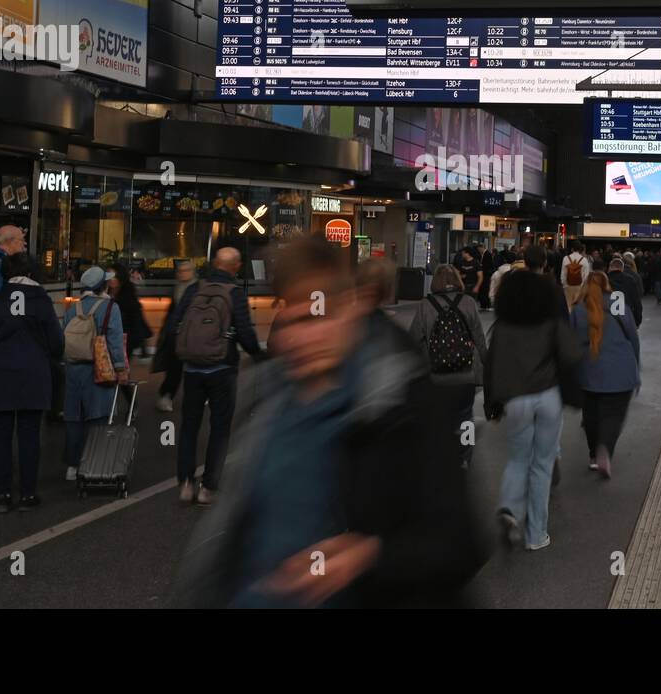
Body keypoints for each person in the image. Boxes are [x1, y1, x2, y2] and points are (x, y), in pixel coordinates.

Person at [172, 237, 489, 607]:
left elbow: (460, 542)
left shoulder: (401, 402)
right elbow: (233, 535)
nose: (301, 336)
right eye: (290, 316)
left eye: (316, 316)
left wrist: (367, 556)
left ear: (350, 311)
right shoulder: (270, 403)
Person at [485, 245, 581, 551]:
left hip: (516, 397)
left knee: (518, 460)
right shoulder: (550, 321)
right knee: (542, 464)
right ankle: (536, 535)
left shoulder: (502, 328)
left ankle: (510, 510)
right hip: (548, 396)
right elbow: (571, 354)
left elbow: (492, 364)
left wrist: (492, 404)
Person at [171, 246, 262, 506]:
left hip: (192, 370)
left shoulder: (193, 289)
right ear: (235, 266)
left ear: (214, 264)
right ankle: (208, 487)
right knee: (220, 429)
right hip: (222, 369)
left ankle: (186, 484)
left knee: (189, 426)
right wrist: (257, 354)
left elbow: (175, 325)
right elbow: (244, 332)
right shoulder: (235, 293)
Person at [0, 252, 64, 511]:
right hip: (32, 377)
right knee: (29, 436)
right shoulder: (41, 301)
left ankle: (0, 495)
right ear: (32, 273)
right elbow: (56, 343)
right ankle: (27, 494)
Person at [408, 265, 488, 469]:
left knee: (437, 418)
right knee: (466, 417)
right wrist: (487, 365)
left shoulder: (425, 305)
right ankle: (464, 457)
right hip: (465, 376)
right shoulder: (468, 302)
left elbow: (413, 339)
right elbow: (479, 338)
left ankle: (439, 456)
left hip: (435, 376)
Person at [61, 266, 128, 481]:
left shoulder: (73, 308)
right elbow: (115, 342)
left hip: (73, 369)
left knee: (74, 417)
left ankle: (72, 465)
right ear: (103, 286)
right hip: (99, 369)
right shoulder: (110, 307)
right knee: (97, 417)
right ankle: (93, 464)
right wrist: (120, 368)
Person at [570, 271, 639, 479]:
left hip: (589, 371)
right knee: (614, 415)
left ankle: (593, 456)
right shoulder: (618, 303)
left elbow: (570, 342)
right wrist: (635, 365)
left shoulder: (579, 309)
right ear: (607, 285)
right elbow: (633, 338)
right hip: (621, 371)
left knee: (591, 415)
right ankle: (605, 450)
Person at [153, 260, 197, 413]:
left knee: (187, 367)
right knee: (175, 367)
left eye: (185, 270)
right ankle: (167, 395)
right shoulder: (178, 288)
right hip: (177, 334)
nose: (182, 273)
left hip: (190, 334)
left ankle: (170, 395)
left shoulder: (195, 289)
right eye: (180, 270)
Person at [109, 263, 149, 358]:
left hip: (124, 339)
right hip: (113, 339)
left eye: (113, 276)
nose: (110, 279)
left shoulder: (127, 294)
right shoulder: (108, 292)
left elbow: (133, 318)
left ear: (120, 277)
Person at [606, 255, 644, 327]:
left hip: (608, 320)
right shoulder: (630, 280)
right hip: (627, 318)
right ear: (622, 268)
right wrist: (637, 321)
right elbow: (637, 302)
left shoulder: (604, 280)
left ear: (610, 267)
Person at [561, 239, 591, 310]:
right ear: (580, 249)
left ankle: (569, 320)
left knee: (568, 307)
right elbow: (586, 276)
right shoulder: (584, 260)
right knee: (578, 308)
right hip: (580, 287)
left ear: (572, 249)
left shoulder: (566, 258)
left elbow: (563, 274)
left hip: (568, 286)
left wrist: (564, 285)